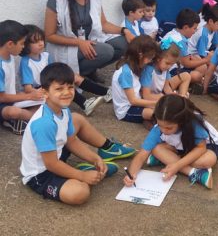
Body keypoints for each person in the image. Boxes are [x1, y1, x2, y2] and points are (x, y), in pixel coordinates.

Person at [20, 62, 135, 205]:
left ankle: (96, 159)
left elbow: (71, 141)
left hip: (57, 155)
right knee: (80, 193)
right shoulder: (44, 123)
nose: (66, 92)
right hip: (42, 174)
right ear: (45, 93)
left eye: (70, 87)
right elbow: (51, 164)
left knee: (77, 119)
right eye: (59, 88)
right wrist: (82, 176)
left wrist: (94, 158)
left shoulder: (64, 110)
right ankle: (79, 173)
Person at [44, 0, 134, 82]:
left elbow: (104, 24)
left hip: (88, 41)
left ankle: (88, 70)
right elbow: (49, 36)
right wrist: (79, 42)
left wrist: (125, 30)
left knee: (123, 43)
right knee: (107, 51)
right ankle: (71, 74)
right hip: (67, 45)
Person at [123, 94, 218, 189]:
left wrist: (177, 166)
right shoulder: (158, 129)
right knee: (155, 148)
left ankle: (166, 159)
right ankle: (193, 172)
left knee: (206, 161)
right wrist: (131, 174)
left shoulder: (193, 123)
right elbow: (142, 154)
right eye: (160, 125)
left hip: (206, 146)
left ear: (181, 122)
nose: (163, 130)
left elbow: (201, 148)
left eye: (169, 128)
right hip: (180, 147)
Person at [20, 25, 112, 116]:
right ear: (26, 45)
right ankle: (85, 104)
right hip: (40, 89)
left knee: (73, 76)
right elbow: (28, 88)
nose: (40, 43)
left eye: (41, 40)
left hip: (50, 83)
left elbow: (53, 72)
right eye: (35, 42)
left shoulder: (46, 56)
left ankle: (106, 92)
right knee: (63, 84)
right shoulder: (26, 62)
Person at [0, 20, 44, 134]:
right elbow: (2, 97)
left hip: (11, 99)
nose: (23, 47)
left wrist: (29, 95)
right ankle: (38, 118)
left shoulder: (9, 56)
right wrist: (28, 96)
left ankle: (22, 120)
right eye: (22, 43)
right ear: (10, 44)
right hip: (3, 104)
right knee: (13, 112)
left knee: (45, 99)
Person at [111, 35, 158, 125]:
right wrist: (156, 104)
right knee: (159, 113)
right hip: (126, 110)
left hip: (134, 104)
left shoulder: (133, 68)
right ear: (140, 55)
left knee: (162, 111)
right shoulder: (126, 72)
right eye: (149, 58)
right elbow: (133, 100)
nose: (150, 61)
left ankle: (150, 122)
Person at [161, 9, 207, 89]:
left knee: (202, 65)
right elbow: (186, 63)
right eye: (194, 28)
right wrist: (207, 60)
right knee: (197, 76)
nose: (195, 31)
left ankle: (184, 83)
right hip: (170, 70)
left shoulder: (174, 32)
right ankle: (180, 84)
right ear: (185, 27)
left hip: (176, 66)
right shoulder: (180, 40)